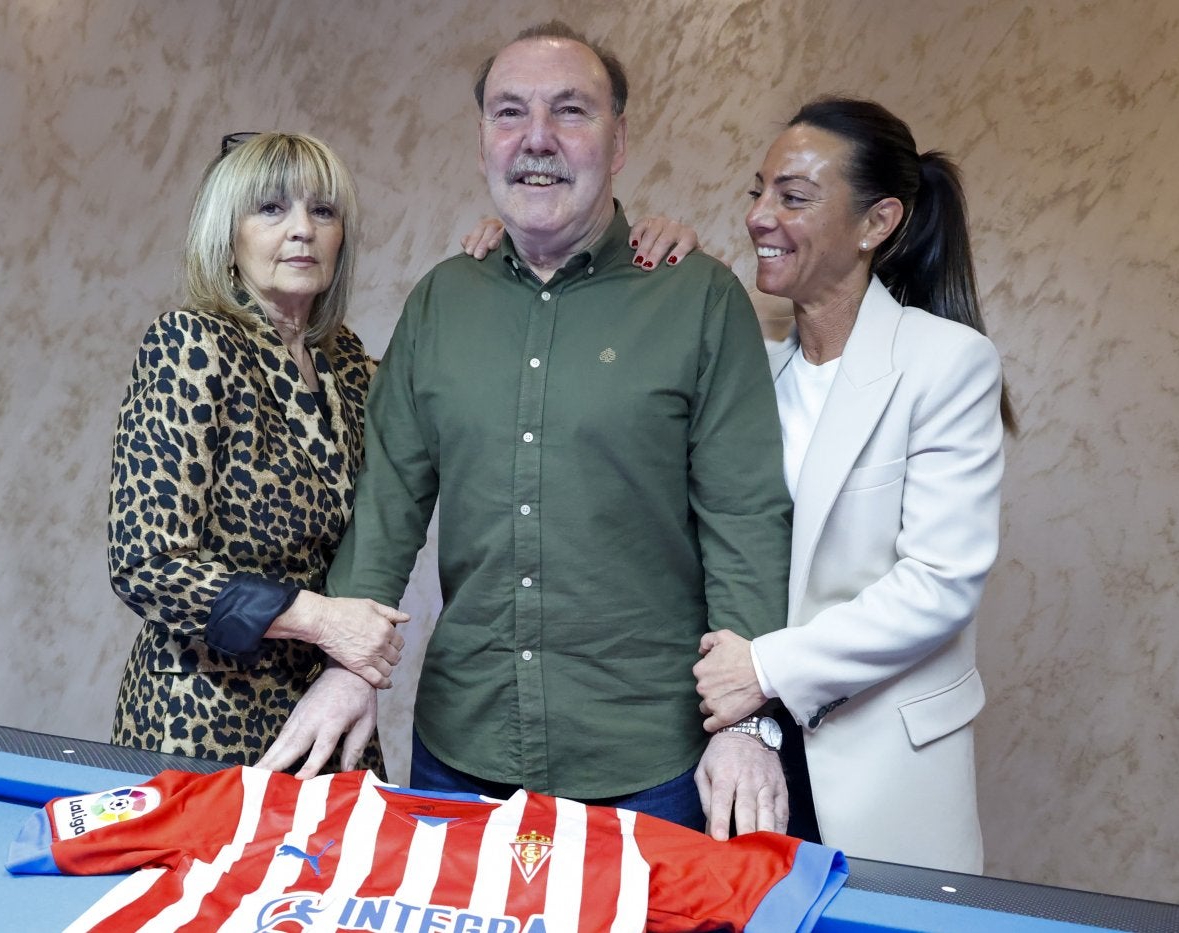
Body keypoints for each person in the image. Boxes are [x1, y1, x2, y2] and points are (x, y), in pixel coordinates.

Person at [261, 21, 793, 839]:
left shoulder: (699, 300)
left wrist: (745, 722)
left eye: (570, 111)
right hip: (461, 749)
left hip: (651, 763)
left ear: (617, 143)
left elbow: (747, 519)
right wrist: (349, 666)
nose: (536, 139)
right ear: (483, 142)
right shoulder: (442, 302)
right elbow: (388, 505)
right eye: (510, 113)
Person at [694, 97, 1013, 872]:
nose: (760, 217)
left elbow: (939, 582)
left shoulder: (947, 364)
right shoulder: (748, 369)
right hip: (745, 755)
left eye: (793, 197)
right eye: (757, 191)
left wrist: (766, 667)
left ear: (878, 223)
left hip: (881, 774)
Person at [108, 132, 409, 770]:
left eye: (322, 211)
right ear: (228, 234)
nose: (302, 229)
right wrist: (324, 621)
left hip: (328, 708)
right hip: (203, 713)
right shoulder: (189, 343)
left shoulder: (348, 363)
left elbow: (452, 405)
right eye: (271, 209)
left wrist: (500, 253)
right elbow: (146, 565)